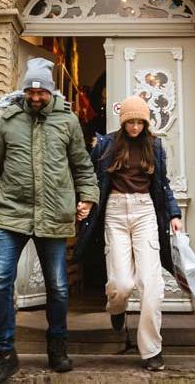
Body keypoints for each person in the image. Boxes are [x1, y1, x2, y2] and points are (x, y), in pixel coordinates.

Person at [0, 58, 100, 384]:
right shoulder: (7, 121)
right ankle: (4, 354)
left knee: (57, 286)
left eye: (42, 92)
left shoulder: (67, 121)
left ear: (51, 91)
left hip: (54, 213)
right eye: (31, 91)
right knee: (0, 280)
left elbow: (82, 165)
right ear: (25, 90)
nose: (36, 97)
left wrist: (87, 196)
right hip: (12, 214)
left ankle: (57, 347)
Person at [75, 95, 184, 372]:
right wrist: (86, 202)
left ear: (146, 123)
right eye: (130, 122)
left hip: (145, 211)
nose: (135, 127)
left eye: (140, 122)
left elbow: (163, 183)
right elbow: (90, 178)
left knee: (151, 284)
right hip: (115, 212)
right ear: (123, 122)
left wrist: (174, 214)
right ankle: (116, 308)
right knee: (121, 284)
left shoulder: (154, 145)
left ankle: (152, 350)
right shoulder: (106, 144)